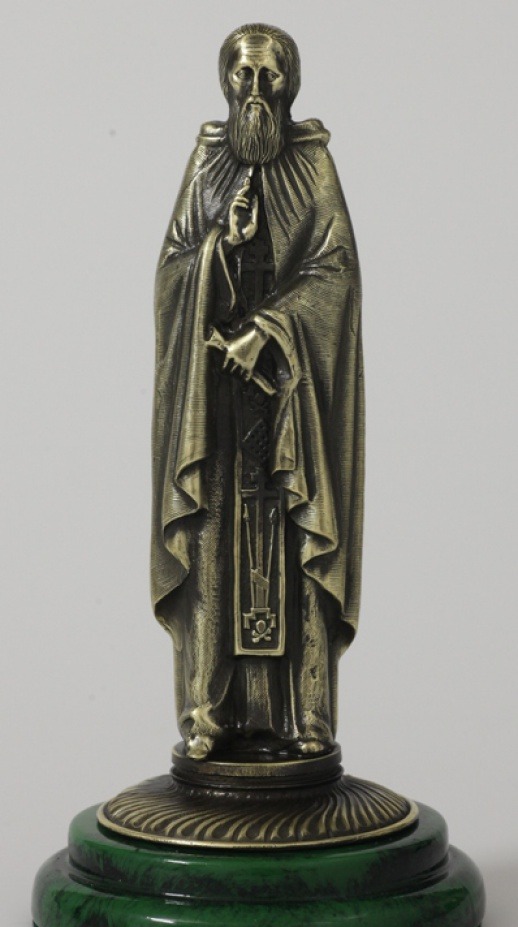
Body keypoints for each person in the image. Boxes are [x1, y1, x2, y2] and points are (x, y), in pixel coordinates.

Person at [152, 23, 364, 760]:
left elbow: (336, 275)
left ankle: (307, 716)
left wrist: (269, 330)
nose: (254, 91)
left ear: (289, 83)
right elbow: (173, 271)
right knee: (213, 546)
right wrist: (223, 247)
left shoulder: (314, 163)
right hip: (215, 405)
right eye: (243, 75)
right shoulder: (208, 161)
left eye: (268, 76)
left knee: (295, 542)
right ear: (225, 81)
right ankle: (208, 715)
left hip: (288, 399)